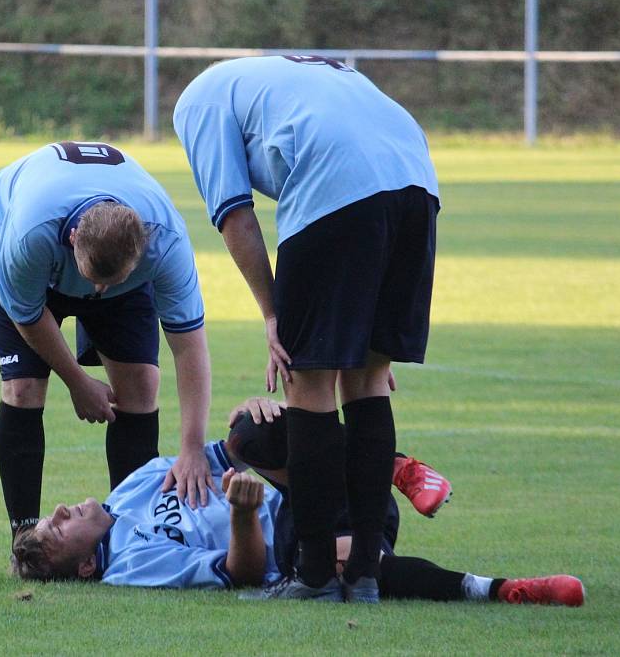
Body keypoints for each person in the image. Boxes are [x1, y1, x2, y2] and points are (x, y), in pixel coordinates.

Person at [173, 55, 441, 600]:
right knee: (366, 377)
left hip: (336, 180)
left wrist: (275, 317)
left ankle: (315, 573)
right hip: (417, 181)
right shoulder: (304, 73)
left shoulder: (197, 100)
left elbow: (235, 213)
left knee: (306, 377)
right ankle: (365, 570)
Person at [11, 398, 585, 609]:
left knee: (247, 425)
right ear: (86, 565)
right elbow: (242, 574)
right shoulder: (129, 567)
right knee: (351, 565)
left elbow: (224, 450)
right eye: (56, 531)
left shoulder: (129, 488)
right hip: (296, 537)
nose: (61, 511)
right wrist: (240, 511)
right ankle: (503, 589)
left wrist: (255, 411)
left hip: (314, 480)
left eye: (51, 513)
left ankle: (393, 465)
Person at [0, 140, 214, 541]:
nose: (98, 291)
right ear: (73, 243)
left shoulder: (165, 240)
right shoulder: (30, 234)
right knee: (23, 388)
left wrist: (192, 446)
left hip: (110, 263)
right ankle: (25, 538)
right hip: (18, 250)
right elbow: (29, 315)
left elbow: (189, 345)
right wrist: (78, 382)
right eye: (93, 280)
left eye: (111, 282)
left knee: (141, 386)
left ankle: (131, 536)